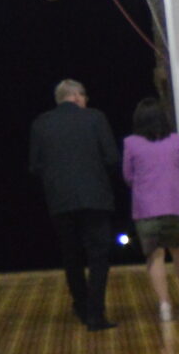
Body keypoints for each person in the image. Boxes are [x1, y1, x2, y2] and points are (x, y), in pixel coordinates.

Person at [28, 78, 123, 331]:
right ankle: (96, 313)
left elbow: (34, 165)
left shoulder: (41, 123)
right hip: (95, 198)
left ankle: (80, 306)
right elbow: (112, 157)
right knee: (98, 256)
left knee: (71, 256)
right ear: (78, 96)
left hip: (60, 200)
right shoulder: (96, 118)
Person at [122, 99, 179, 324]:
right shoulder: (177, 140)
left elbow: (128, 176)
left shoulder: (130, 143)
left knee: (155, 256)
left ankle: (165, 304)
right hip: (176, 205)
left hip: (146, 208)